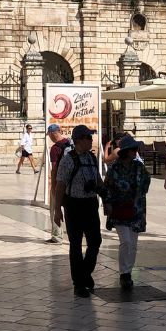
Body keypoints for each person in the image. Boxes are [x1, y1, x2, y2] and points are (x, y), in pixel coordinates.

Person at [53, 124, 102, 297]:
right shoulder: (68, 160)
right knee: (75, 245)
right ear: (79, 140)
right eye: (88, 138)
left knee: (95, 241)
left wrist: (106, 199)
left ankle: (85, 273)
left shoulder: (92, 158)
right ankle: (79, 283)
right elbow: (60, 186)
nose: (91, 140)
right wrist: (57, 210)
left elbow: (98, 180)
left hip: (90, 204)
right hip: (73, 206)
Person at [103, 135, 151, 290]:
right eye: (133, 149)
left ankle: (128, 272)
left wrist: (138, 192)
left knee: (134, 244)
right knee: (126, 241)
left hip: (136, 209)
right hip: (119, 209)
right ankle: (124, 273)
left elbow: (146, 183)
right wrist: (108, 203)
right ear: (126, 151)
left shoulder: (139, 167)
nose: (136, 151)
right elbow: (107, 187)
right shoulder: (114, 168)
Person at [46, 123, 71, 244]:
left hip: (60, 182)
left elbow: (55, 168)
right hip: (71, 183)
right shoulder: (70, 143)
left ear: (51, 134)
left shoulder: (55, 148)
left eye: (49, 135)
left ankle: (57, 236)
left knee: (55, 208)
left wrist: (53, 185)